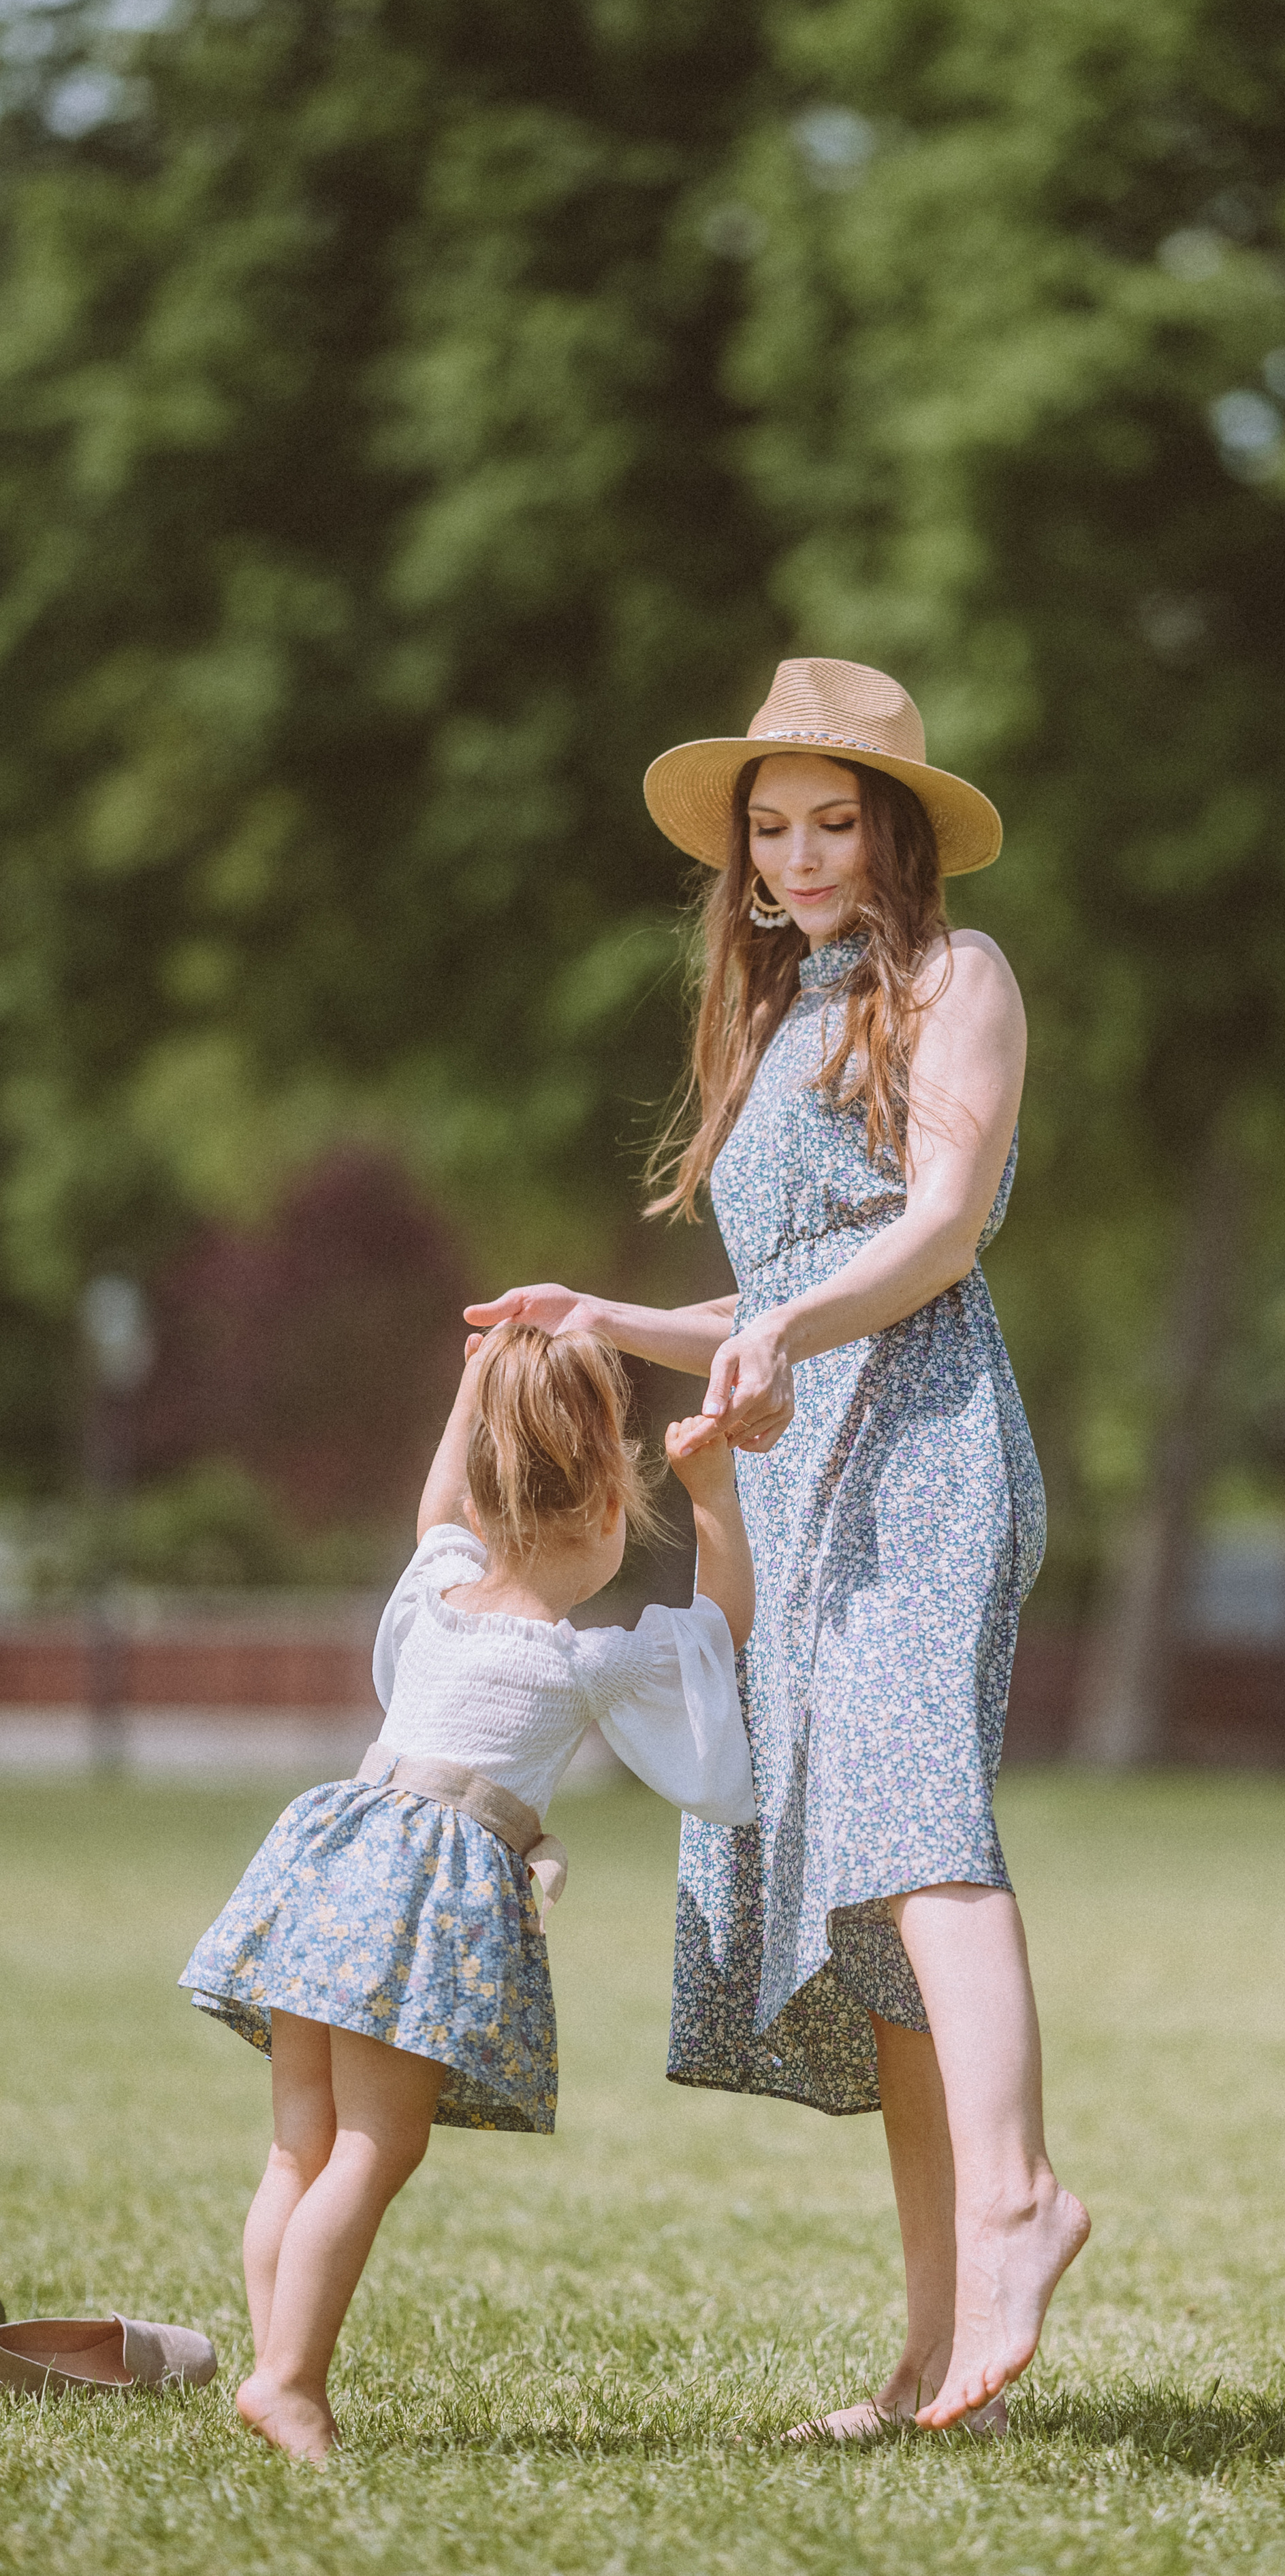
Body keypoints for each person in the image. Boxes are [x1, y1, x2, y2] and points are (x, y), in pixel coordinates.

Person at [467, 657, 1088, 2437]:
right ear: (742, 855)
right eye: (775, 827)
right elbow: (788, 1287)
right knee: (867, 1909)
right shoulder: (772, 1022)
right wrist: (615, 1312)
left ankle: (1025, 2195)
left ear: (895, 829)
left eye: (835, 822)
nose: (804, 855)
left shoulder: (962, 979)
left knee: (916, 1822)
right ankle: (927, 2353)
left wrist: (786, 1339)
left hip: (934, 1449)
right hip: (808, 1476)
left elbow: (942, 1232)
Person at [179, 1322, 755, 2463]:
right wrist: (715, 1492)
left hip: (326, 1862)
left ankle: (275, 2366)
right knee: (377, 2148)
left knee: (301, 2147)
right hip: (414, 1894)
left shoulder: (439, 1591)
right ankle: (288, 2381)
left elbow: (436, 1510)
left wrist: (472, 1388)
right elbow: (721, 1636)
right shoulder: (581, 1657)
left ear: (484, 1502)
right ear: (603, 1516)